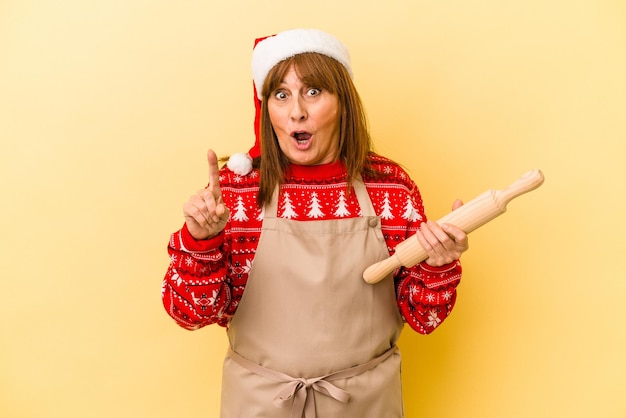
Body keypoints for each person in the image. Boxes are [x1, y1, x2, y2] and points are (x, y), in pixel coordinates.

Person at [162, 28, 469, 418]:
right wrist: (200, 242)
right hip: (261, 406)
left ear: (343, 102)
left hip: (366, 406)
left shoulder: (390, 188)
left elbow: (425, 318)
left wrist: (438, 265)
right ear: (266, 106)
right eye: (281, 94)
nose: (296, 112)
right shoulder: (234, 196)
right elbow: (189, 314)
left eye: (312, 91)